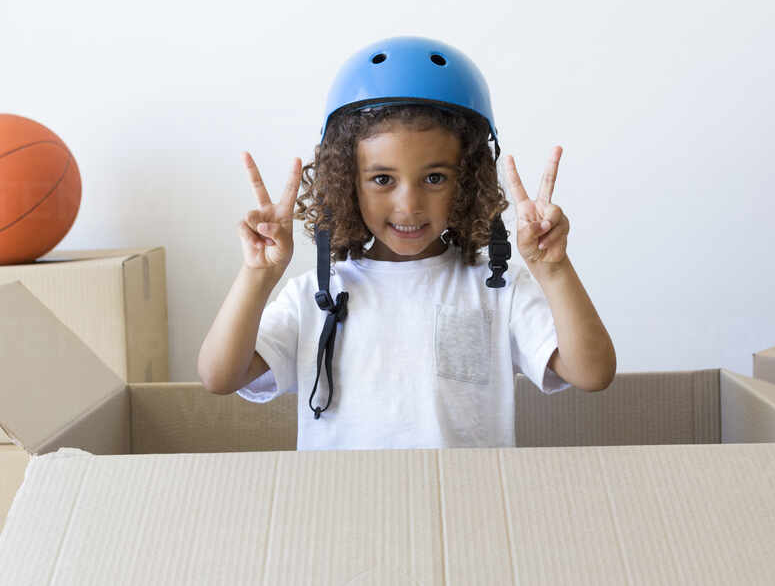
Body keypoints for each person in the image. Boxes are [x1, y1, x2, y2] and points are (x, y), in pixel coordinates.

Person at [197, 36, 615, 450]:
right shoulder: (314, 295)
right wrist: (257, 275)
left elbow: (593, 374)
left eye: (434, 178)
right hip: (341, 513)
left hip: (466, 510)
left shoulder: (498, 289)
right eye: (383, 179)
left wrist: (554, 270)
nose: (409, 204)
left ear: (467, 182)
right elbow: (219, 377)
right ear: (347, 184)